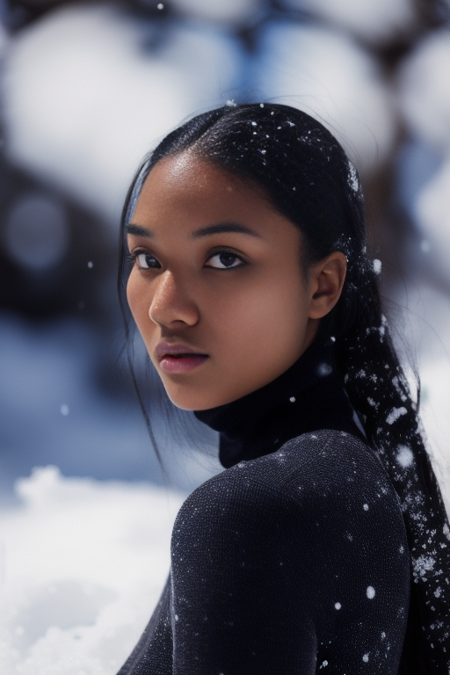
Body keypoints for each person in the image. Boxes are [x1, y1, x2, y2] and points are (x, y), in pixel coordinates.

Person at [117, 103, 450, 674]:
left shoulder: (258, 515)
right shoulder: (332, 486)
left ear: (322, 285)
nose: (165, 306)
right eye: (148, 258)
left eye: (224, 258)